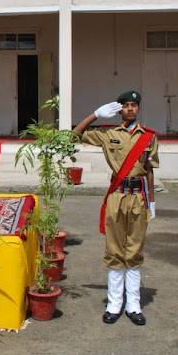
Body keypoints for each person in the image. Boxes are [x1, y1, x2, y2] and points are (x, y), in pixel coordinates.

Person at [73, 90, 159, 326]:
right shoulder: (108, 133)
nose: (130, 109)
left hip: (138, 197)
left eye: (134, 105)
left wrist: (152, 201)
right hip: (117, 196)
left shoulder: (149, 137)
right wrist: (95, 115)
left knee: (134, 250)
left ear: (138, 108)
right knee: (114, 250)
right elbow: (73, 136)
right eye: (125, 105)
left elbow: (150, 170)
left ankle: (133, 304)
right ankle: (114, 303)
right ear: (119, 109)